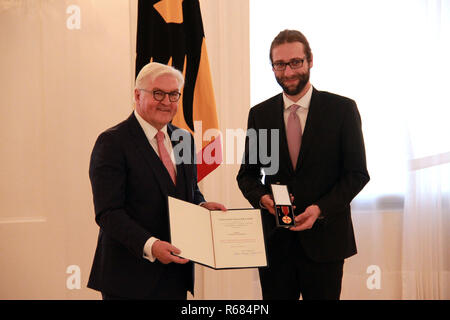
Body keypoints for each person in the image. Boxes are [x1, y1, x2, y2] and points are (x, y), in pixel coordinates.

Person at [236, 30, 370, 300]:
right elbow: (247, 175)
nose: (288, 72)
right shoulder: (259, 114)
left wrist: (319, 209)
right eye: (280, 64)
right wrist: (264, 200)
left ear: (310, 61)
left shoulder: (342, 110)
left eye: (295, 62)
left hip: (326, 243)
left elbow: (356, 174)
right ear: (272, 66)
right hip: (275, 245)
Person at [88, 62, 226, 300]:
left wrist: (202, 205)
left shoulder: (184, 139)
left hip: (175, 275)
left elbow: (188, 190)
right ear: (137, 95)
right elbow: (108, 212)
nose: (166, 101)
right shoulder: (112, 142)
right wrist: (151, 245)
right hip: (128, 280)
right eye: (158, 93)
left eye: (173, 94)